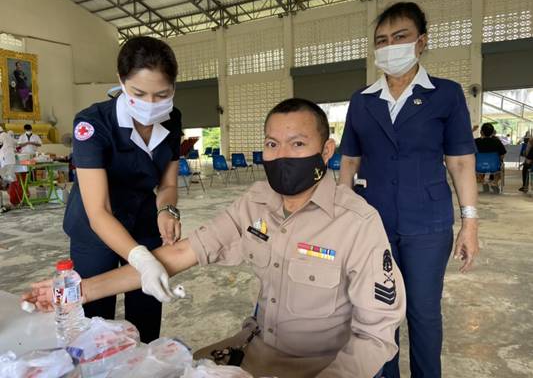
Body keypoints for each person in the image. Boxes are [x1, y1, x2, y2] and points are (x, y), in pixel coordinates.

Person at [23, 98, 406, 378]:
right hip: (255, 352)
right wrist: (80, 291)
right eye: (272, 144)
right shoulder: (257, 202)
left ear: (326, 150)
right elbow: (182, 253)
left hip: (319, 367)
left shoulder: (357, 223)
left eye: (298, 144)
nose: (282, 156)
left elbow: (376, 335)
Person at [339, 2, 479, 378]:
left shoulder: (445, 94)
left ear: (421, 41)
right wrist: (341, 216)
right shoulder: (362, 100)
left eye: (399, 36)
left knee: (423, 312)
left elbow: (460, 162)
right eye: (382, 40)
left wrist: (470, 223)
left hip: (428, 224)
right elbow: (349, 162)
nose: (390, 46)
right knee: (378, 312)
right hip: (373, 223)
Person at [62, 36, 183, 343]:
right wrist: (141, 259)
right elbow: (98, 211)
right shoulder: (92, 124)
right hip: (95, 228)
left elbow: (168, 184)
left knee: (147, 307)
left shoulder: (173, 119)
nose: (151, 104)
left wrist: (166, 210)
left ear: (173, 86)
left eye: (162, 94)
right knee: (95, 313)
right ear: (121, 81)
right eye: (139, 93)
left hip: (142, 218)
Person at [475, 123, 506, 193]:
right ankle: (494, 182)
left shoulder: (476, 141)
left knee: (473, 164)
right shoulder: (497, 141)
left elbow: (471, 154)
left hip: (478, 166)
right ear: (493, 132)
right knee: (501, 164)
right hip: (494, 167)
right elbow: (502, 155)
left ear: (481, 132)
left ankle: (483, 181)